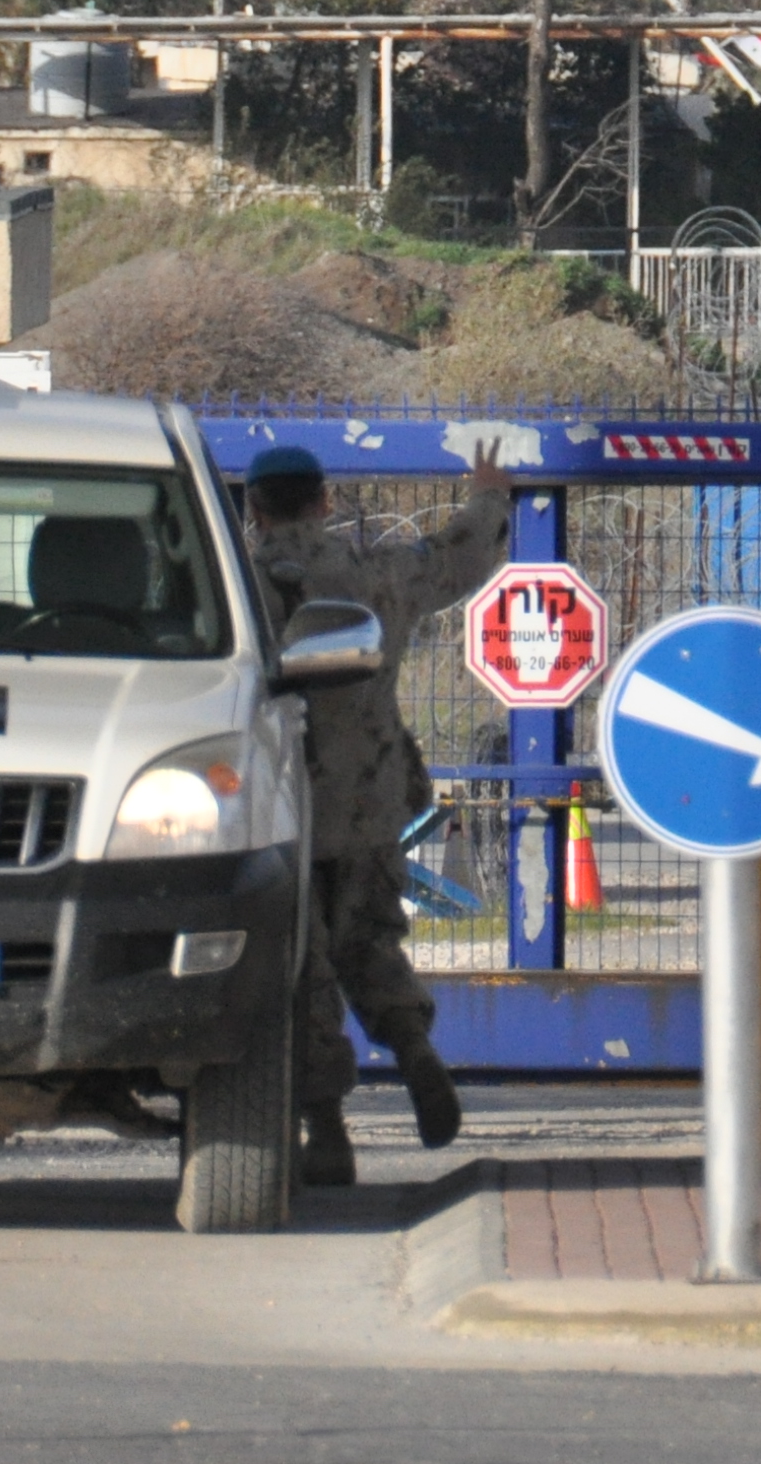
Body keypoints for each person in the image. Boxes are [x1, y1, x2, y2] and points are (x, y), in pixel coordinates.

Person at [240, 439, 515, 1187]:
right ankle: (416, 1050)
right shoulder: (374, 573)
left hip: (277, 802)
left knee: (301, 964)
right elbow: (457, 559)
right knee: (370, 937)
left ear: (253, 510)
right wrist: (489, 492)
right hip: (369, 794)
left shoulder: (238, 587)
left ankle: (325, 1127)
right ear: (325, 501)